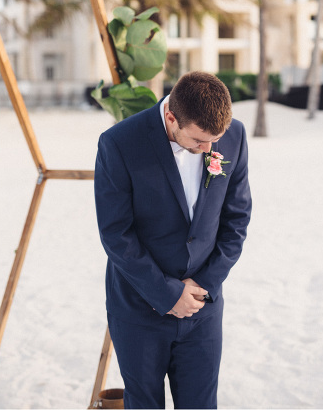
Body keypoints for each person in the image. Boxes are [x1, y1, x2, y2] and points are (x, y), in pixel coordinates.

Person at [95, 71, 252, 409]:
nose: (209, 149)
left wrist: (203, 284)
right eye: (198, 140)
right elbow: (115, 233)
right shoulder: (119, 143)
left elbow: (236, 219)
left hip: (203, 308)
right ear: (171, 117)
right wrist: (167, 293)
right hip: (139, 308)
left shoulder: (234, 136)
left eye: (215, 139)